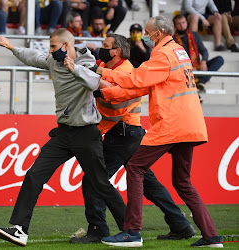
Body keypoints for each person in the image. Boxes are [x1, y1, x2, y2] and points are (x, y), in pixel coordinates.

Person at [95, 16, 223, 248]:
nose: (144, 36)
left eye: (147, 32)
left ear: (159, 33)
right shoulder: (177, 52)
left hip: (172, 123)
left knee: (135, 168)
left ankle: (132, 232)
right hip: (191, 124)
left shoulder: (162, 55)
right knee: (182, 182)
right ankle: (211, 236)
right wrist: (108, 94)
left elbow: (135, 79)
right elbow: (141, 88)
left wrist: (101, 73)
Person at [0, 28, 126, 246]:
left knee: (100, 183)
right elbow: (34, 57)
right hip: (64, 133)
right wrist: (11, 46)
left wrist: (72, 68)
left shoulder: (87, 61)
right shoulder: (54, 60)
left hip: (86, 133)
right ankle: (19, 228)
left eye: (53, 47)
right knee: (34, 175)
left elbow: (93, 83)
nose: (49, 51)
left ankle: (129, 229)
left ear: (65, 46)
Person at [69, 33, 196, 244]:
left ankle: (98, 230)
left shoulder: (126, 71)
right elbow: (92, 66)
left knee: (93, 180)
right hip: (130, 133)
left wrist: (98, 102)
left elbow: (118, 107)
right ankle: (181, 225)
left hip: (123, 134)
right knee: (148, 184)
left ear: (116, 51)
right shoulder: (114, 67)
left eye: (105, 46)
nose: (101, 49)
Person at [173, 14, 224, 91]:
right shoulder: (172, 40)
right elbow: (174, 59)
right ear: (175, 26)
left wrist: (204, 61)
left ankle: (201, 82)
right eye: (179, 24)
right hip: (183, 69)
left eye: (183, 22)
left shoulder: (194, 35)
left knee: (219, 59)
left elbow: (204, 50)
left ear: (187, 23)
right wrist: (188, 67)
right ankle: (199, 83)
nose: (182, 25)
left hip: (198, 66)